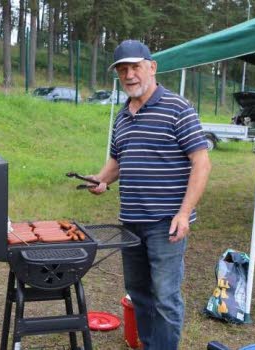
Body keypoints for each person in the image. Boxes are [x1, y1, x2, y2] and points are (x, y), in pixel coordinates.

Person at [88, 39, 211, 350]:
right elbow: (119, 159)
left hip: (165, 224)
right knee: (139, 291)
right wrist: (102, 179)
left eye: (135, 67)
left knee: (165, 296)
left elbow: (201, 161)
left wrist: (184, 213)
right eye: (122, 70)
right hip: (131, 222)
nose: (129, 75)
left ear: (152, 67)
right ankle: (149, 344)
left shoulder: (177, 108)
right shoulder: (122, 114)